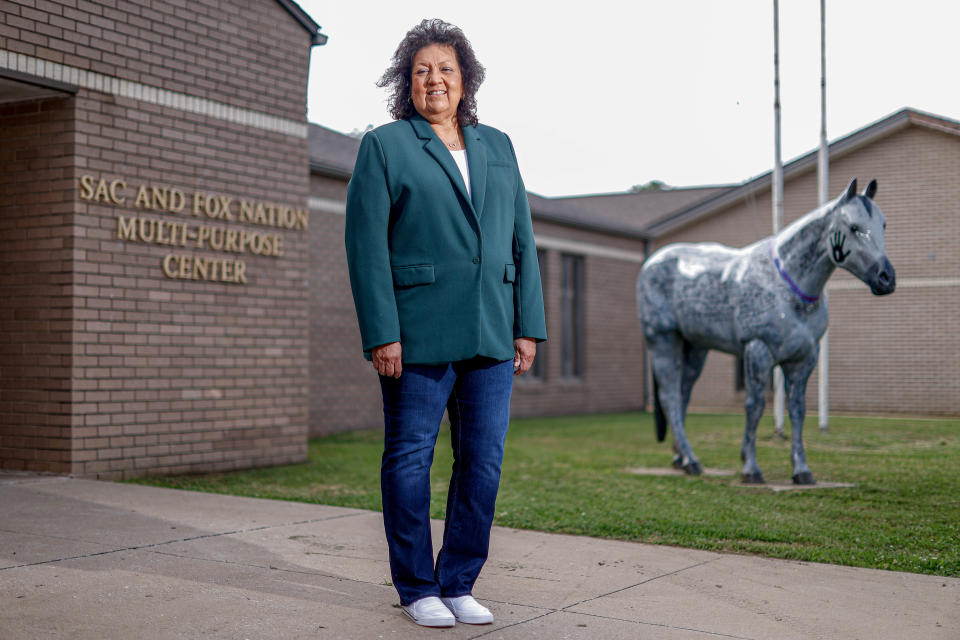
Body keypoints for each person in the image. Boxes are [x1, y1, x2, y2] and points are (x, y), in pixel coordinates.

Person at [344, 18, 547, 628]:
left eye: (446, 69)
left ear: (466, 81)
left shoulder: (499, 146)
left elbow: (522, 240)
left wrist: (528, 324)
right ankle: (415, 586)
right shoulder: (385, 146)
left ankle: (458, 582)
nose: (435, 79)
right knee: (410, 459)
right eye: (422, 70)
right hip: (417, 336)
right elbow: (366, 247)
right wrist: (383, 331)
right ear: (407, 84)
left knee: (482, 462)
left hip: (492, 331)